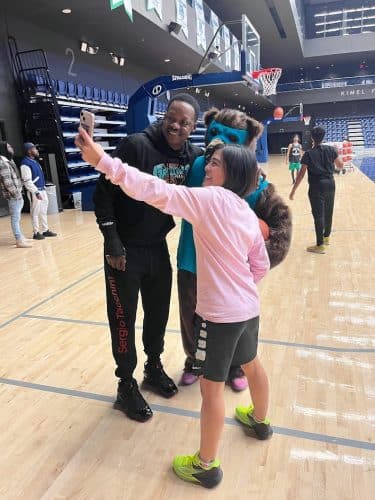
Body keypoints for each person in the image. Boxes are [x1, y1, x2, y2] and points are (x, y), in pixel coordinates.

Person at [76, 129, 272, 489]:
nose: (207, 167)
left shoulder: (209, 199)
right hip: (248, 308)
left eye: (215, 164)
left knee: (212, 390)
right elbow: (260, 265)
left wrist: (103, 162)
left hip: (220, 316)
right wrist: (240, 288)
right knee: (252, 363)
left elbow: (154, 189)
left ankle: (205, 465)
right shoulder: (245, 211)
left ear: (233, 174)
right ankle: (260, 420)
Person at [93, 94, 202, 422]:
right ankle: (125, 384)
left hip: (157, 246)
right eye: (172, 117)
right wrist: (112, 242)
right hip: (123, 250)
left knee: (158, 313)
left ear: (192, 128)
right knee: (124, 319)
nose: (176, 126)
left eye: (184, 123)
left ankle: (153, 367)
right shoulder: (136, 146)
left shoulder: (192, 156)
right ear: (163, 115)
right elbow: (103, 194)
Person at [177, 107, 264, 391]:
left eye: (230, 137)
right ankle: (194, 360)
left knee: (233, 318)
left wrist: (250, 275)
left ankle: (233, 364)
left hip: (229, 266)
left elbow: (270, 220)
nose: (220, 140)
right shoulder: (200, 164)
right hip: (192, 257)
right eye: (215, 132)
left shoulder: (250, 176)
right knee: (191, 314)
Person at [289, 126, 343, 254]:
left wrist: (293, 191)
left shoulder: (308, 154)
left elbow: (301, 175)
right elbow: (340, 165)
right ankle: (326, 237)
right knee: (328, 212)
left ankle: (320, 245)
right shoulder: (331, 150)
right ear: (323, 136)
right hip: (330, 184)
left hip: (316, 187)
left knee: (318, 215)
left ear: (312, 137)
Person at [20, 143, 57, 240]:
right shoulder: (25, 164)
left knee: (43, 211)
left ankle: (45, 230)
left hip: (42, 189)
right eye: (34, 148)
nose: (36, 150)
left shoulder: (34, 162)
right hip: (35, 191)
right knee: (35, 212)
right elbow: (27, 181)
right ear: (29, 151)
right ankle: (36, 232)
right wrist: (36, 192)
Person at [0, 141, 32, 248]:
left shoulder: (10, 161)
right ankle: (19, 240)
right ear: (3, 149)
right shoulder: (2, 163)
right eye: (8, 147)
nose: (11, 148)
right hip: (14, 196)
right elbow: (7, 182)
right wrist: (16, 194)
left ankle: (21, 237)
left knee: (17, 218)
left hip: (18, 193)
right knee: (15, 218)